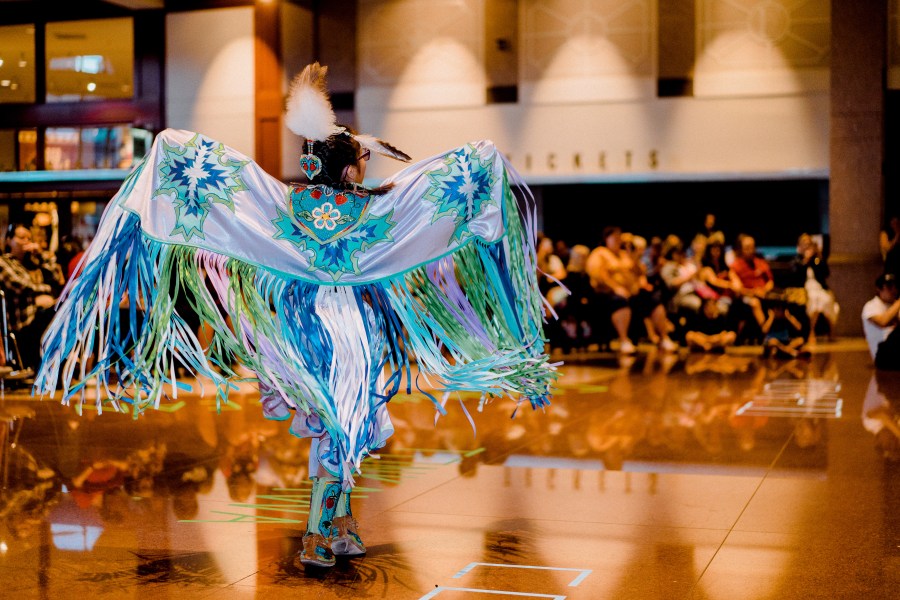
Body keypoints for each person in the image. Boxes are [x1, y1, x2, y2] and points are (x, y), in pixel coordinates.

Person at [34, 63, 557, 569]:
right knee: (341, 426)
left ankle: (342, 522)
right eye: (363, 165)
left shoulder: (284, 204)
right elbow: (429, 194)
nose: (368, 171)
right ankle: (314, 533)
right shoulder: (375, 211)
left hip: (302, 336)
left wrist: (169, 149)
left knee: (343, 428)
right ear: (349, 167)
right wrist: (482, 159)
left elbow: (229, 185)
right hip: (348, 339)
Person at [586, 226, 676, 353]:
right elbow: (598, 275)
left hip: (631, 293)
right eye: (615, 237)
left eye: (619, 237)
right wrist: (616, 287)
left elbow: (640, 272)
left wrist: (633, 255)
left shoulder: (624, 254)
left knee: (654, 300)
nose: (618, 240)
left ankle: (664, 338)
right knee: (620, 301)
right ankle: (624, 340)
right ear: (606, 239)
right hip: (608, 294)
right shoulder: (600, 253)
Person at [0, 223, 59, 371]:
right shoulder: (3, 262)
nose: (26, 241)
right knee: (57, 310)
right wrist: (44, 294)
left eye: (29, 238)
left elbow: (56, 277)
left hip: (37, 316)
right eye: (21, 237)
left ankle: (58, 367)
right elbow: (22, 287)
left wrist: (40, 254)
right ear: (8, 240)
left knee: (64, 309)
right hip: (21, 324)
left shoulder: (31, 263)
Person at [789, 233, 838, 344]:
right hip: (804, 289)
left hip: (820, 288)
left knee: (826, 299)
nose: (807, 247)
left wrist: (818, 256)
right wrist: (805, 260)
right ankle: (811, 332)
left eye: (809, 244)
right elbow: (795, 276)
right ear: (799, 246)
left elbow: (825, 273)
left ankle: (832, 331)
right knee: (814, 300)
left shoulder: (817, 260)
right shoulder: (797, 260)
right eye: (804, 244)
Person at [729, 234, 773, 341]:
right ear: (741, 249)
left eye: (752, 247)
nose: (750, 250)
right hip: (746, 298)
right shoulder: (735, 266)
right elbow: (738, 289)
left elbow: (770, 282)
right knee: (755, 303)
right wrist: (753, 293)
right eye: (747, 248)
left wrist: (764, 290)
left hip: (764, 295)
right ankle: (767, 334)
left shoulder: (761, 263)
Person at [862, 273, 900, 370]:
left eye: (895, 286)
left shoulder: (894, 306)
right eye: (889, 287)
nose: (894, 290)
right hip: (883, 354)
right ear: (879, 289)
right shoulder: (871, 306)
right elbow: (883, 321)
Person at [881, 212, 900, 276]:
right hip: (889, 264)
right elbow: (887, 248)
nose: (895, 224)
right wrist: (896, 235)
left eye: (896, 223)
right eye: (893, 222)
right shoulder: (884, 233)